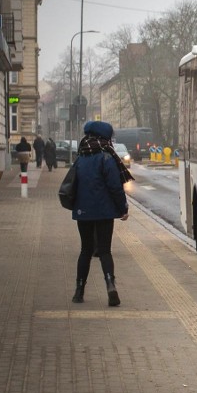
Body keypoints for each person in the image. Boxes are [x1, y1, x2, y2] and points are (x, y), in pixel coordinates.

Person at [70, 121, 134, 306]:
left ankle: (79, 290)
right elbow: (115, 187)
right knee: (105, 251)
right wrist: (123, 208)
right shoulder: (106, 157)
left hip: (83, 211)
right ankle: (110, 285)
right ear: (105, 136)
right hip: (104, 212)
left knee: (85, 250)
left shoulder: (81, 157)